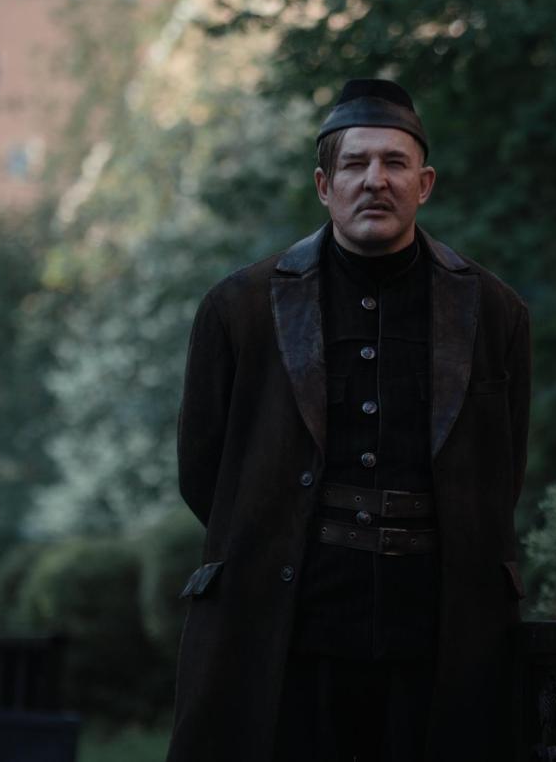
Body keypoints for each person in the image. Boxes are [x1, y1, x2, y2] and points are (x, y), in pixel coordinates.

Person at [166, 79, 531, 762]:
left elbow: (502, 470)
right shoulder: (239, 307)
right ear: (323, 185)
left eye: (394, 163)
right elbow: (203, 472)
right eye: (356, 164)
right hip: (286, 629)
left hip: (437, 632)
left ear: (424, 183)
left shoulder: (494, 311)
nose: (375, 181)